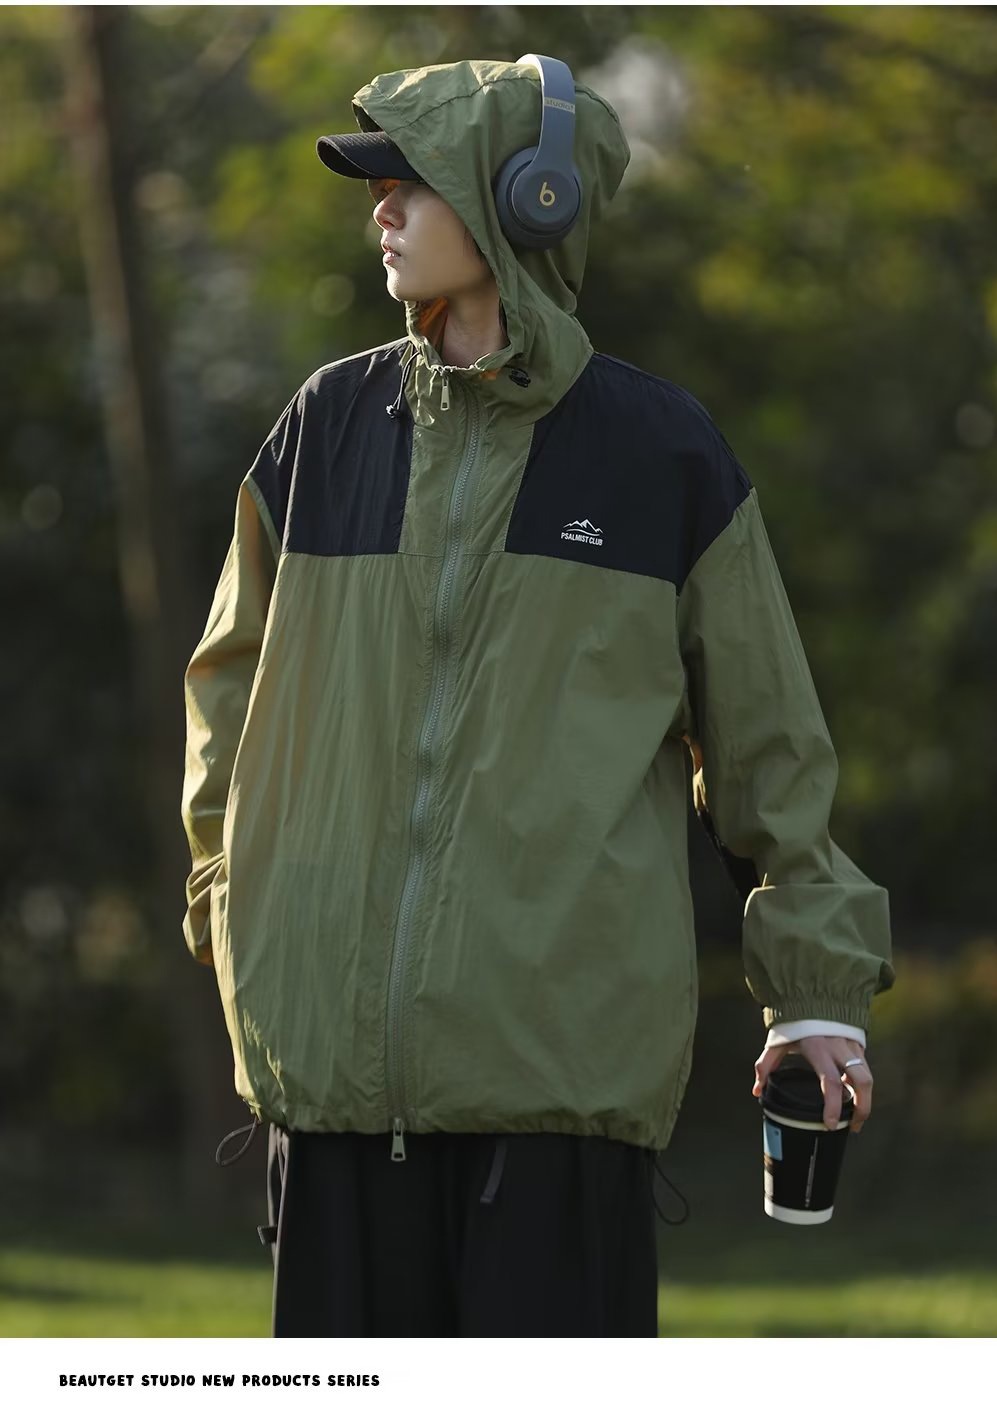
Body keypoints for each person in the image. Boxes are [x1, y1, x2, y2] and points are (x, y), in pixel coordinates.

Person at [180, 56, 894, 1338]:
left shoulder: (661, 452)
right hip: (333, 1095)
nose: (380, 210)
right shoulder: (324, 427)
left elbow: (769, 750)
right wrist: (236, 914)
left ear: (529, 199)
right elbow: (224, 703)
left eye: (409, 183)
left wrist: (815, 994)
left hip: (561, 1087)